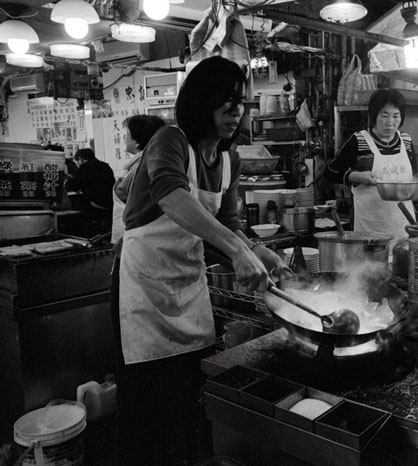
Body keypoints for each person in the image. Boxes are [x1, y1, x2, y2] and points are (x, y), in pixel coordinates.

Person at [114, 56, 287, 466]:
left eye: (241, 103)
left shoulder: (229, 160)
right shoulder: (170, 141)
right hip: (143, 292)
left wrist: (259, 252)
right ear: (200, 102)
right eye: (226, 102)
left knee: (191, 400)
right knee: (149, 408)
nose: (236, 112)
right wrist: (238, 250)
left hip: (187, 290)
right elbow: (171, 195)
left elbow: (227, 224)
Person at [325, 89, 418, 244]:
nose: (390, 122)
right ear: (374, 116)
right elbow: (330, 172)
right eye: (384, 115)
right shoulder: (359, 141)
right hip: (370, 227)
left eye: (396, 116)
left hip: (403, 226)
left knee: (401, 262)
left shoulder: (406, 141)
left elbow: (415, 177)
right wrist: (355, 176)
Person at [111, 114, 166, 243]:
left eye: (127, 135)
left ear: (138, 141)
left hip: (137, 236)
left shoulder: (142, 167)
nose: (124, 140)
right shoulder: (154, 162)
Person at [65, 147, 115, 237]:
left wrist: (68, 180)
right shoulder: (105, 166)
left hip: (94, 205)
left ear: (80, 159)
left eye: (77, 162)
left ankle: (84, 236)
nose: (77, 165)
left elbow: (70, 186)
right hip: (109, 204)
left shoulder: (85, 167)